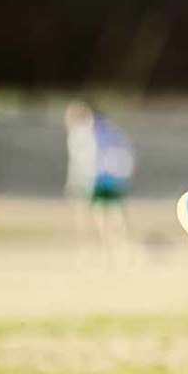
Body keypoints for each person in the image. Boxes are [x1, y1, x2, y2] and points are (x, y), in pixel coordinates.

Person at [64, 101, 136, 264]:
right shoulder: (107, 130)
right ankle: (115, 251)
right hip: (107, 178)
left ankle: (113, 251)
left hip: (96, 179)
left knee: (103, 215)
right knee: (112, 215)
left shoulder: (85, 133)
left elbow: (84, 160)